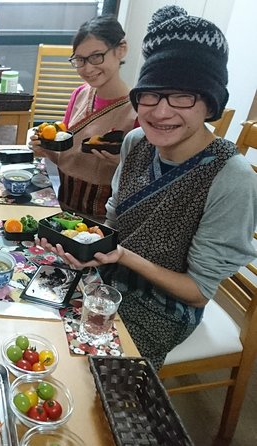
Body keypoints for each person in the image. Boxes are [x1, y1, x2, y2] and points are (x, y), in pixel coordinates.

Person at [41, 6, 257, 370]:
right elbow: (113, 223)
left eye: (183, 97)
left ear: (210, 103)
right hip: (107, 276)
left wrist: (121, 256)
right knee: (33, 318)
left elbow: (198, 291)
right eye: (151, 95)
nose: (160, 111)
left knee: (84, 372)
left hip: (163, 309)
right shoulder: (136, 142)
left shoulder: (231, 176)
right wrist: (87, 247)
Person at [29, 15, 137, 219]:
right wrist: (45, 149)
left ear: (121, 49)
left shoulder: (137, 111)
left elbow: (143, 179)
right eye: (80, 60)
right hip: (62, 207)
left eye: (96, 56)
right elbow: (67, 156)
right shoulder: (79, 95)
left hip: (105, 221)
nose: (87, 68)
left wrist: (121, 163)